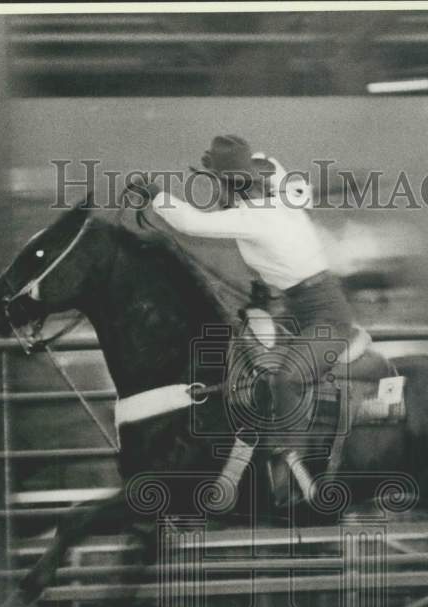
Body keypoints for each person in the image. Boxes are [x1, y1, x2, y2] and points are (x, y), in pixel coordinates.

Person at [146, 135, 359, 502]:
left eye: (218, 182)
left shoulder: (253, 217)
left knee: (285, 379)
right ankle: (241, 460)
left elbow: (190, 223)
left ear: (231, 185)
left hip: (325, 314)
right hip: (296, 305)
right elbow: (268, 164)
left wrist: (153, 193)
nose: (216, 191)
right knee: (241, 366)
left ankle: (295, 468)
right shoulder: (279, 188)